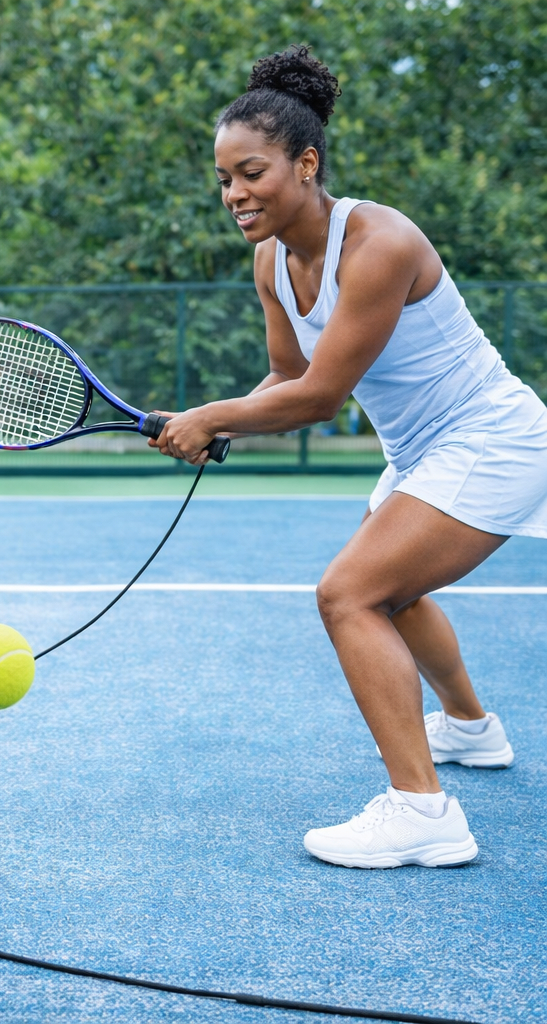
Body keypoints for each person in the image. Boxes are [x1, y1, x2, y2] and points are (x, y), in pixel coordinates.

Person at [150, 44, 547, 868]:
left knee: (349, 596)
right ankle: (472, 731)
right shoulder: (271, 260)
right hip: (422, 448)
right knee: (390, 595)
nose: (234, 194)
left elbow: (322, 398)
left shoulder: (379, 242)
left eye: (250, 172)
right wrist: (223, 420)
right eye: (223, 179)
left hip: (489, 437)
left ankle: (423, 812)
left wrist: (210, 415)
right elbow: (287, 377)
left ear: (306, 162)